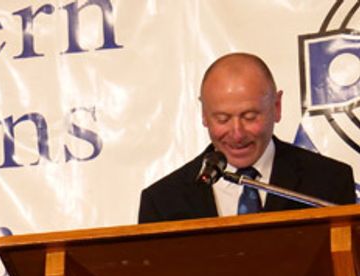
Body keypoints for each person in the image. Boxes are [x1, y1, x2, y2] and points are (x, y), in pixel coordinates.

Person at [138, 52, 355, 223]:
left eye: (250, 117)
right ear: (204, 115)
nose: (237, 134)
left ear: (276, 107)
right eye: (222, 119)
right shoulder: (162, 202)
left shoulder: (329, 182)